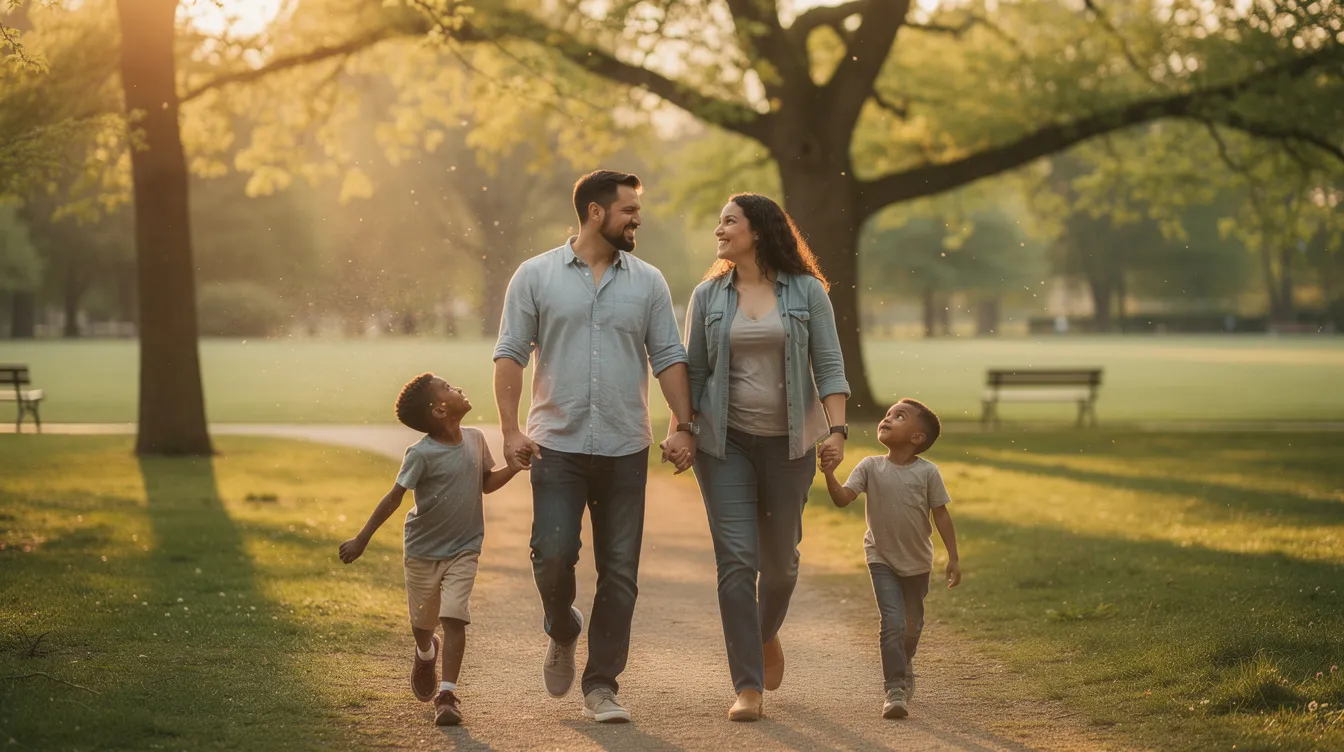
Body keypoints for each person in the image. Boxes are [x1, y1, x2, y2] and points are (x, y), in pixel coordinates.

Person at [493, 169, 696, 723]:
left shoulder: (649, 281)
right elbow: (510, 353)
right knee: (552, 554)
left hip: (625, 447)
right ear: (595, 212)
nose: (637, 218)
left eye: (638, 209)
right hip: (555, 445)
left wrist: (684, 425)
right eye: (629, 209)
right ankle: (562, 624)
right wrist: (511, 430)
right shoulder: (535, 276)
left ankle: (602, 684)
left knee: (620, 570)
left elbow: (670, 357)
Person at [683, 193, 849, 721]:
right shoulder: (708, 296)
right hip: (723, 444)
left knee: (780, 567)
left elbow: (829, 365)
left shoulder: (807, 292)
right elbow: (693, 374)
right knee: (736, 563)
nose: (719, 229)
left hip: (790, 445)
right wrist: (682, 432)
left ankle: (765, 632)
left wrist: (838, 431)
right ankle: (747, 686)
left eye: (729, 221)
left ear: (758, 230)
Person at [338, 374, 521, 726]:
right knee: (423, 625)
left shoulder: (476, 439)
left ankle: (448, 694)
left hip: (464, 549)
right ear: (439, 410)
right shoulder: (420, 454)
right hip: (422, 551)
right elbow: (394, 497)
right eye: (449, 388)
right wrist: (362, 538)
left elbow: (486, 483)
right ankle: (425, 651)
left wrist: (512, 468)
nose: (459, 388)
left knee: (454, 616)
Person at [821, 398, 962, 720]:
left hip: (918, 562)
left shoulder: (928, 473)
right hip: (880, 556)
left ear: (917, 439)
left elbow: (941, 515)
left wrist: (953, 557)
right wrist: (829, 473)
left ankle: (903, 661)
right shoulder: (870, 466)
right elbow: (843, 499)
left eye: (899, 417)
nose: (886, 420)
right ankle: (894, 688)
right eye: (887, 415)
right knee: (893, 622)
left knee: (912, 627)